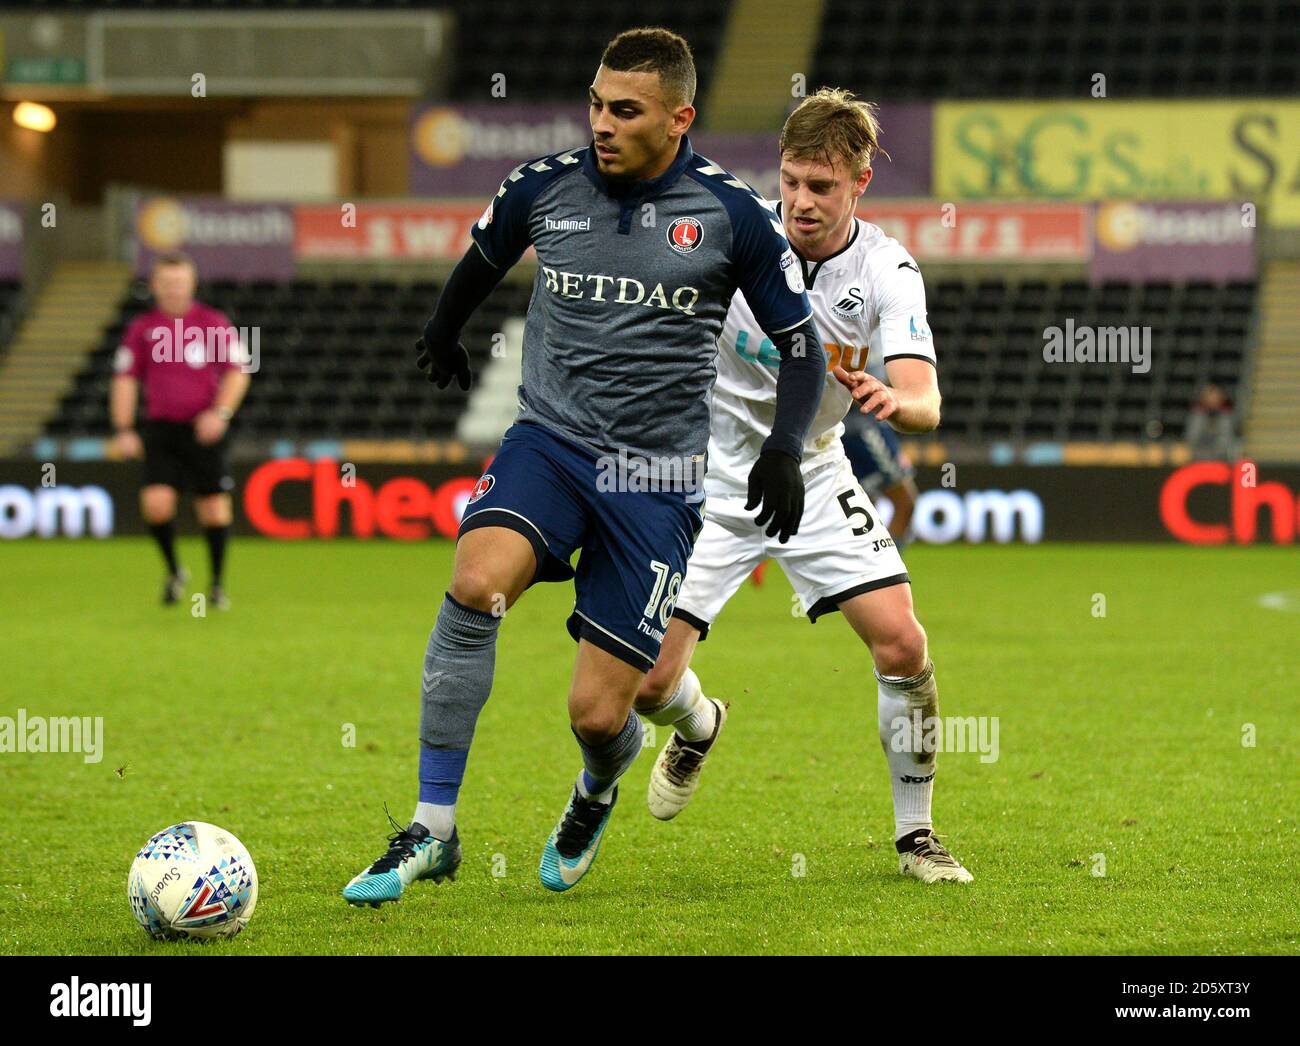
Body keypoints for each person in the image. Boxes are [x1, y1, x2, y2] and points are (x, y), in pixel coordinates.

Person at [342, 27, 825, 905]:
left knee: (601, 714)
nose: (602, 122)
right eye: (596, 103)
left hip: (657, 477)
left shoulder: (732, 215)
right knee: (475, 580)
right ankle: (433, 827)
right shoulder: (541, 186)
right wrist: (443, 331)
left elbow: (802, 347)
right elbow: (480, 260)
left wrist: (785, 449)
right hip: (551, 443)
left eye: (625, 110)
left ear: (679, 118)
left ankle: (598, 786)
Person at [633, 87, 973, 884]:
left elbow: (923, 395)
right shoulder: (735, 231)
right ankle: (699, 723)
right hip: (711, 479)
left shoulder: (886, 269)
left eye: (821, 187)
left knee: (903, 642)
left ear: (860, 182)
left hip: (813, 469)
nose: (801, 202)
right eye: (790, 180)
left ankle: (916, 834)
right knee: (648, 687)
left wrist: (901, 404)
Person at [110, 252, 250, 610]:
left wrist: (220, 413)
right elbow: (125, 379)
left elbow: (239, 371)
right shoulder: (141, 328)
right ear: (155, 285)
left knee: (214, 510)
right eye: (166, 282)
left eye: (180, 282)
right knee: (156, 506)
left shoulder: (213, 323)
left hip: (204, 429)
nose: (173, 288)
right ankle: (174, 571)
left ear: (192, 284)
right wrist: (124, 427)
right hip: (161, 430)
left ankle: (217, 585)